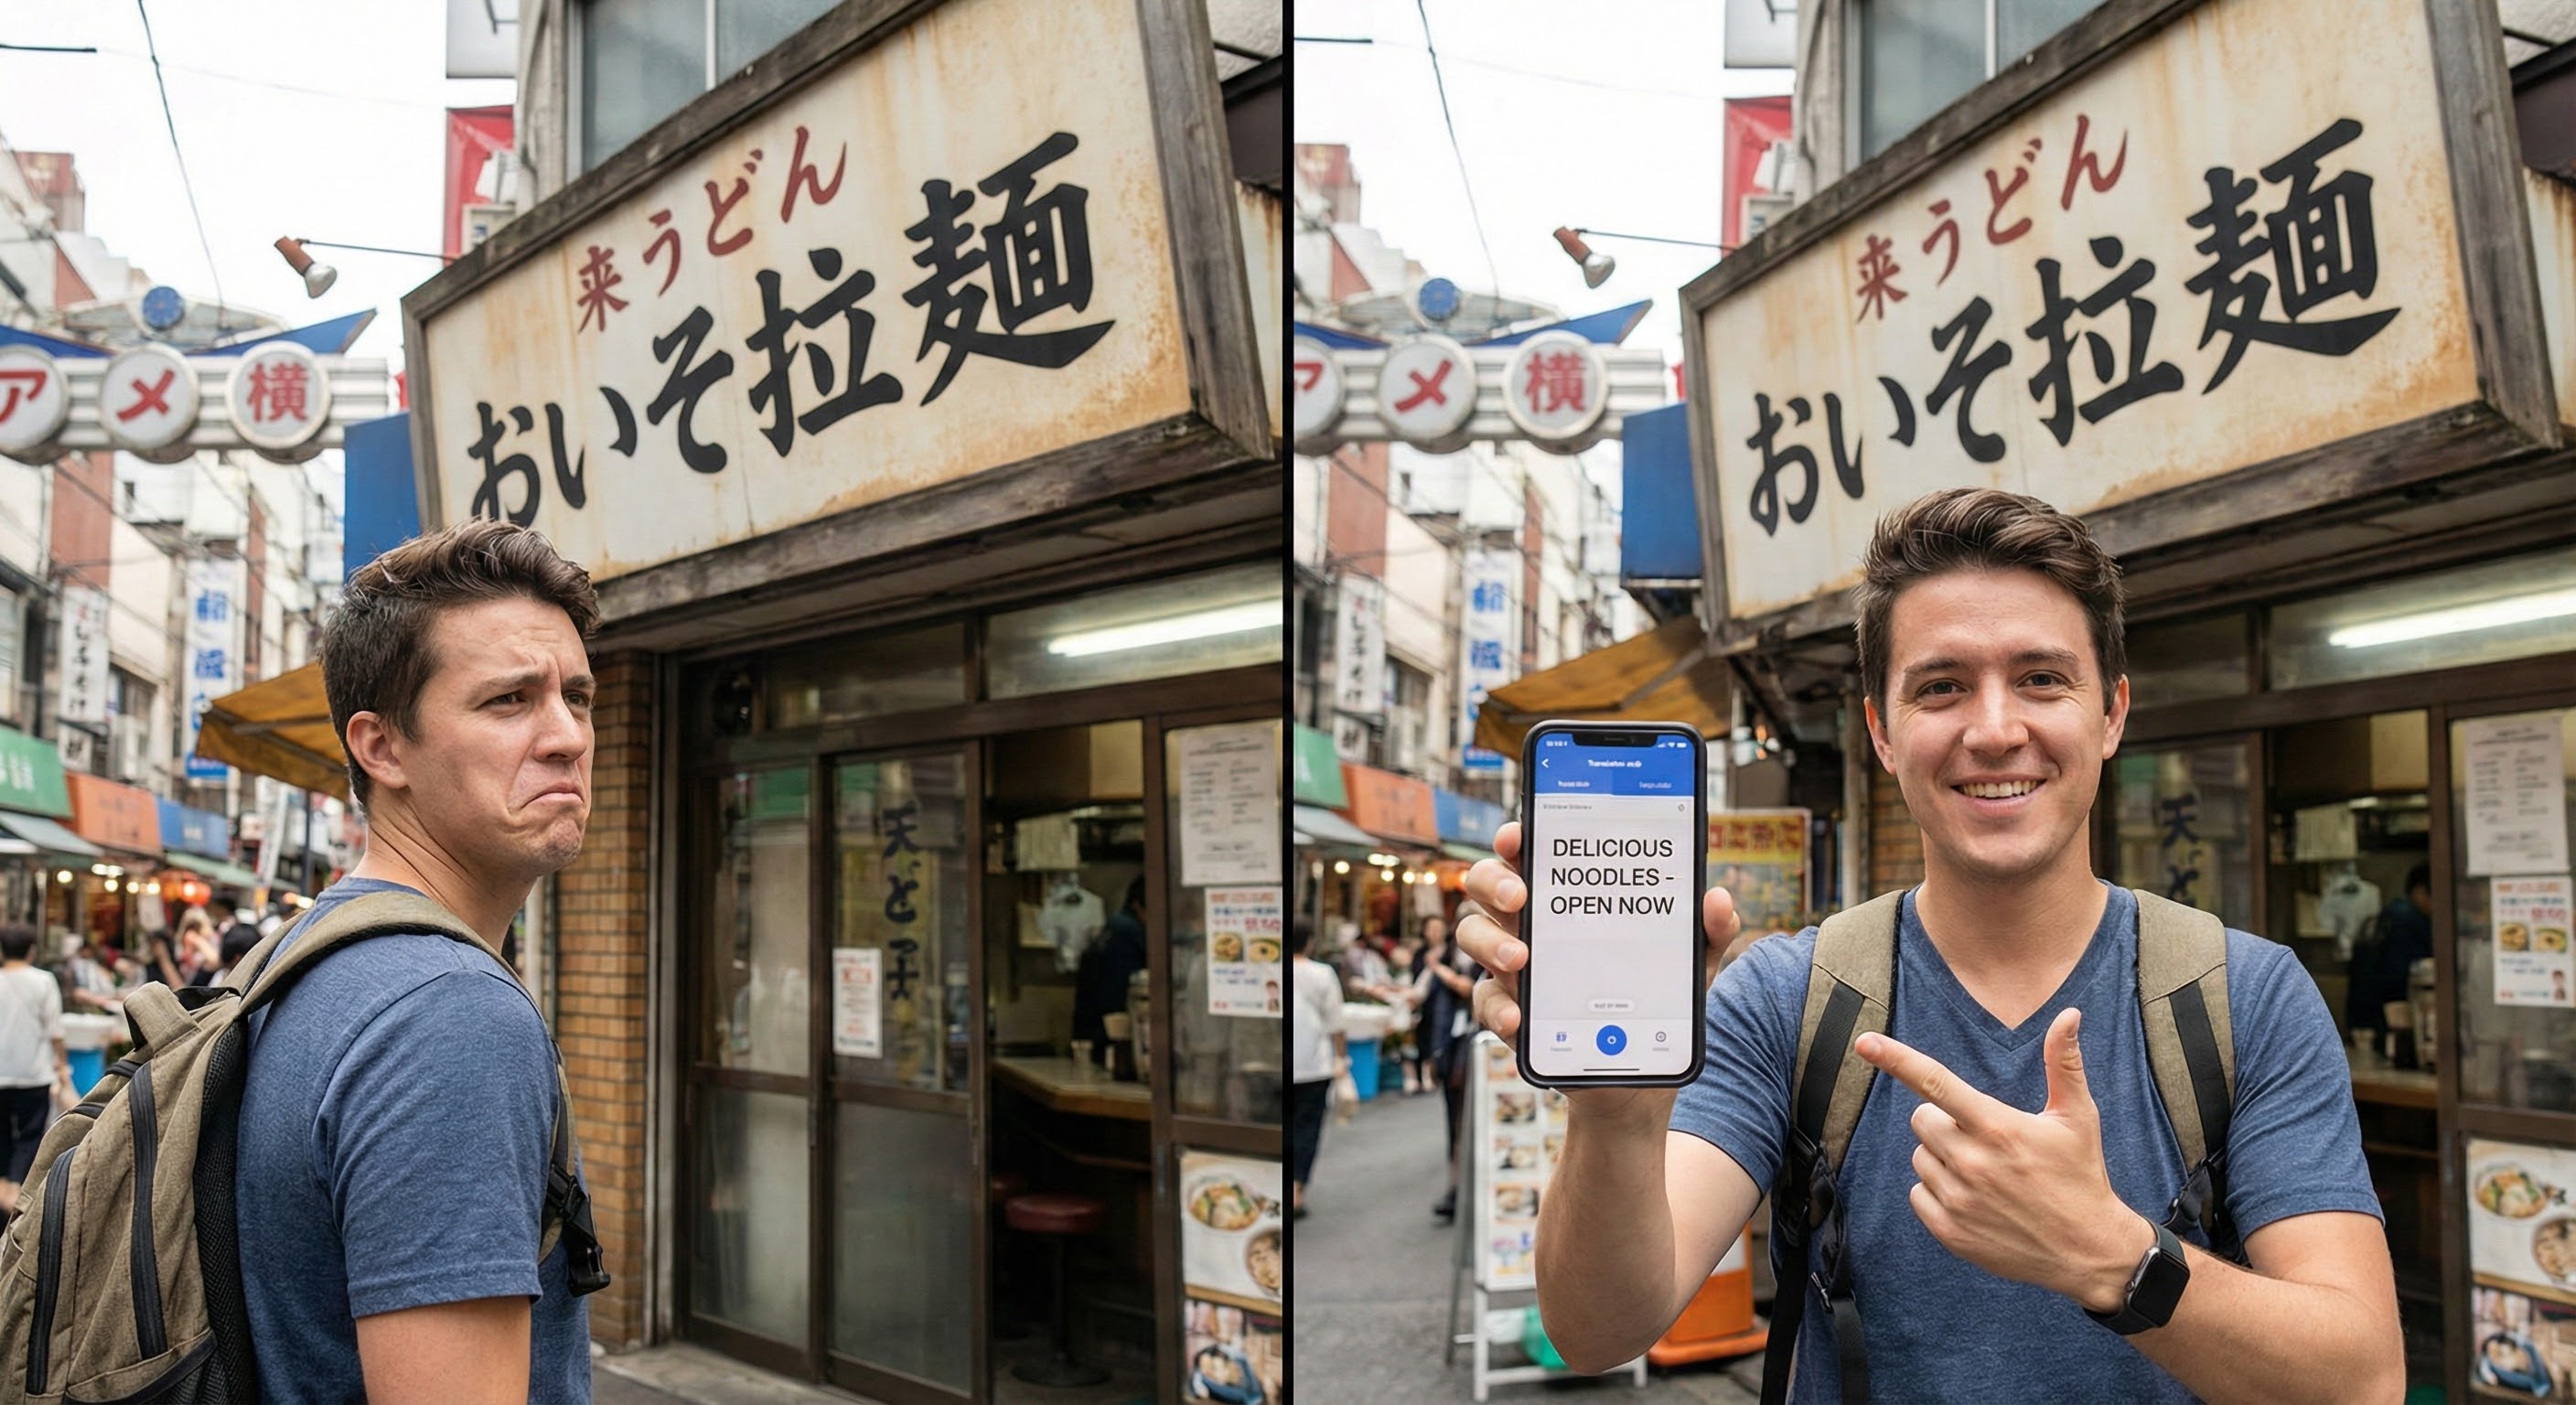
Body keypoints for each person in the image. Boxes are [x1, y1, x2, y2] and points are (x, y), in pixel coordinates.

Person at [1456, 488, 2401, 1401]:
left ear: (2109, 714)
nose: (1993, 731)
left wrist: (2113, 1259)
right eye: (1941, 687)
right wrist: (1613, 1118)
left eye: (2040, 678)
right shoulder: (1784, 999)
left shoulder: (2244, 994)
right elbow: (1595, 1332)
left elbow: (2360, 1382)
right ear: (1880, 728)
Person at [237, 517, 601, 1403]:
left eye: (577, 697)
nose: (567, 737)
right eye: (509, 700)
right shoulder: (446, 1015)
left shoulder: (300, 957)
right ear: (381, 746)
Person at [1414, 913, 1481, 1220]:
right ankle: (1456, 1189)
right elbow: (1432, 1006)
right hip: (1452, 1051)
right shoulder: (1445, 958)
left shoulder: (1489, 960)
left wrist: (1438, 969)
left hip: (1479, 1050)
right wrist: (1432, 1055)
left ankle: (1469, 1189)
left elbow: (1467, 989)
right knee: (1454, 1123)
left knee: (1474, 1122)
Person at [0, 921, 70, 1217]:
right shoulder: (43, 981)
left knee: (2, 1134)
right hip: (34, 1074)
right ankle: (15, 1189)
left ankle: (4, 1184)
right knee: (31, 1135)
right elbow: (55, 1030)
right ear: (31, 951)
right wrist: (62, 1063)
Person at [1290, 917, 1347, 1220]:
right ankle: (1296, 1190)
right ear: (1309, 941)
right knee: (1307, 1128)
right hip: (1314, 1063)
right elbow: (1336, 1021)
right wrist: (1341, 1058)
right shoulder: (1322, 974)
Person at [2349, 863, 2434, 1036]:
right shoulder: (2407, 920)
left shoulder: (2394, 916)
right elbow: (2400, 972)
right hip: (2389, 1010)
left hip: (2370, 1010)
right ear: (2419, 892)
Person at [1074, 877, 1148, 1067]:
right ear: (1137, 905)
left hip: (1092, 1029)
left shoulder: (1114, 927)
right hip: (1112, 1034)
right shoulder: (1128, 933)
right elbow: (1122, 993)